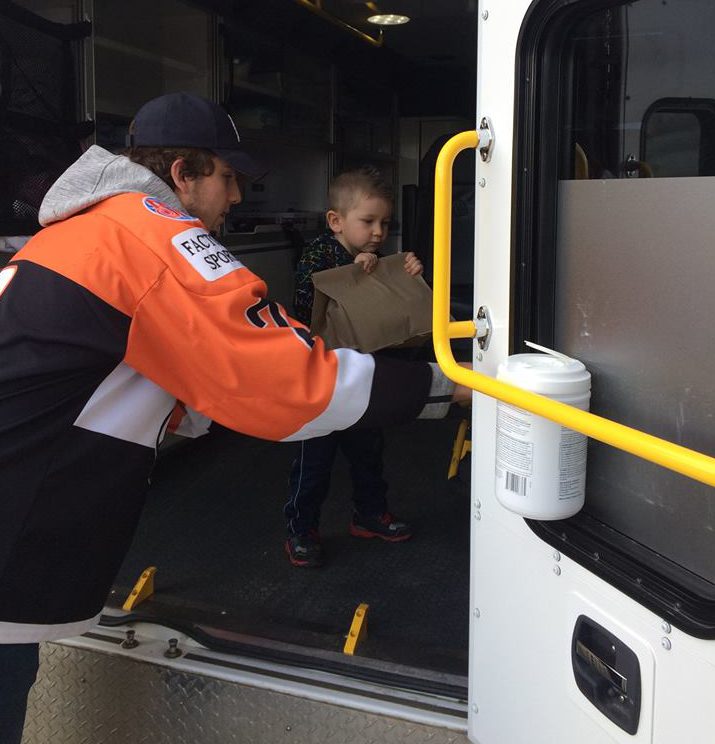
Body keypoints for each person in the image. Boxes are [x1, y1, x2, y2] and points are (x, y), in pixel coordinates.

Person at [0, 92, 470, 742]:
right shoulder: (150, 233)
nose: (237, 197)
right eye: (227, 177)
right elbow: (290, 384)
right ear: (183, 174)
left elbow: (163, 385)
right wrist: (450, 386)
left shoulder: (74, 234)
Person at [285, 166, 426, 568]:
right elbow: (306, 296)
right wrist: (353, 269)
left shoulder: (375, 260)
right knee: (312, 461)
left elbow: (389, 310)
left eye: (385, 223)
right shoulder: (320, 253)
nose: (379, 232)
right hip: (321, 381)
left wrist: (409, 270)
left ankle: (370, 513)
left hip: (363, 377)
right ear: (336, 221)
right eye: (368, 222)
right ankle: (301, 529)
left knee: (368, 453)